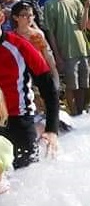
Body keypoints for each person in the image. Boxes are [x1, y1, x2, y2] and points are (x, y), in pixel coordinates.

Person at [0, 29, 59, 168]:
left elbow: (49, 88)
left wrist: (52, 129)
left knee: (26, 173)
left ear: (1, 19)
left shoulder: (19, 46)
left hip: (19, 120)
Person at [43, 0, 90, 115]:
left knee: (83, 84)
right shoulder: (50, 5)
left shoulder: (76, 2)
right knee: (71, 85)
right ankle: (74, 112)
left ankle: (81, 112)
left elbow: (83, 26)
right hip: (66, 51)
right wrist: (57, 56)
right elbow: (50, 33)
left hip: (82, 49)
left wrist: (87, 7)